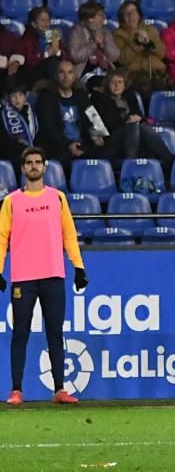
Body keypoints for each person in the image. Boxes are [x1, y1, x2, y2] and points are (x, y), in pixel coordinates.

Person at [0, 147, 87, 405]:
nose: (34, 166)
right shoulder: (11, 201)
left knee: (55, 333)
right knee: (20, 333)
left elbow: (69, 235)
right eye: (29, 163)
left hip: (53, 274)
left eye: (38, 162)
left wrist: (79, 267)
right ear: (23, 168)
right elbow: (1, 237)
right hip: (23, 277)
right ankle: (16, 390)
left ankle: (59, 389)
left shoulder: (57, 198)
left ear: (45, 166)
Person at [89, 69, 172, 162]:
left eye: (119, 82)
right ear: (108, 85)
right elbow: (110, 123)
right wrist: (129, 120)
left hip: (133, 136)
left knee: (143, 128)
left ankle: (169, 161)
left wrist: (139, 118)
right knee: (133, 125)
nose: (116, 85)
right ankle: (132, 162)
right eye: (112, 82)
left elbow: (139, 114)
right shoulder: (100, 99)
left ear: (125, 84)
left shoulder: (129, 95)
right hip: (112, 138)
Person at [35, 61, 103, 170]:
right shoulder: (46, 97)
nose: (66, 77)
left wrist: (98, 133)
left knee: (103, 154)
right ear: (56, 75)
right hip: (57, 145)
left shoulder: (81, 95)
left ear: (74, 76)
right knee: (63, 158)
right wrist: (68, 145)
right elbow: (49, 128)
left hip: (81, 143)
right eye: (62, 72)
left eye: (70, 72)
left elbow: (93, 115)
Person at [113, 0, 169, 95]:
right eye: (127, 13)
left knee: (163, 87)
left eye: (134, 12)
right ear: (122, 17)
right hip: (135, 72)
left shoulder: (150, 30)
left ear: (139, 15)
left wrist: (148, 42)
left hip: (157, 70)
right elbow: (123, 59)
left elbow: (162, 53)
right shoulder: (118, 34)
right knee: (144, 84)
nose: (131, 15)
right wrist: (136, 42)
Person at [67, 0, 120, 89]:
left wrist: (104, 46)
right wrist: (93, 44)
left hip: (106, 72)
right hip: (86, 74)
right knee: (103, 84)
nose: (104, 18)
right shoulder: (77, 31)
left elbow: (115, 56)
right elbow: (75, 57)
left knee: (126, 86)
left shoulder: (105, 31)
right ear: (90, 18)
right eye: (100, 15)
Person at [0, 83, 38, 165]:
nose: (17, 99)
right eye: (13, 95)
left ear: (25, 97)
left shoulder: (31, 113)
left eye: (20, 95)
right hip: (11, 153)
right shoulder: (3, 115)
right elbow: (4, 140)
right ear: (8, 98)